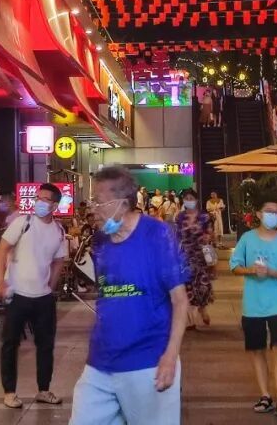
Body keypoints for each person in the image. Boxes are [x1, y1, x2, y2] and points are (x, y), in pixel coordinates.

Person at [70, 165, 189, 425]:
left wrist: (170, 356)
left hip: (148, 362)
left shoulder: (157, 235)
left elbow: (180, 301)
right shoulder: (100, 240)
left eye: (99, 202)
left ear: (122, 204)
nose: (92, 209)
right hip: (101, 362)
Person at [0, 183, 68, 409]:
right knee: (10, 344)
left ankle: (43, 390)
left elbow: (59, 261)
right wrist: (1, 280)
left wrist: (51, 286)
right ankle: (9, 392)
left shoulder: (58, 231)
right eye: (38, 198)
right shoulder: (23, 222)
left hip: (43, 298)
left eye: (45, 199)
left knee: (46, 345)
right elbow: (2, 249)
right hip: (17, 294)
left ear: (54, 205)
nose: (39, 202)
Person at [228, 197, 277, 419]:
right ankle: (266, 395)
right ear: (258, 214)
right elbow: (235, 266)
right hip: (252, 305)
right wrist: (251, 271)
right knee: (257, 350)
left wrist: (270, 272)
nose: (273, 215)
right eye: (268, 211)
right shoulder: (247, 238)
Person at [174, 189, 214, 330]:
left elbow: (210, 234)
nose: (188, 201)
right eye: (186, 198)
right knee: (187, 287)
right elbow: (176, 236)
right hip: (185, 256)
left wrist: (206, 237)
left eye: (191, 198)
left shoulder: (204, 217)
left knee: (202, 286)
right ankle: (191, 320)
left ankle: (202, 308)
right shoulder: (180, 217)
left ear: (196, 200)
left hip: (201, 256)